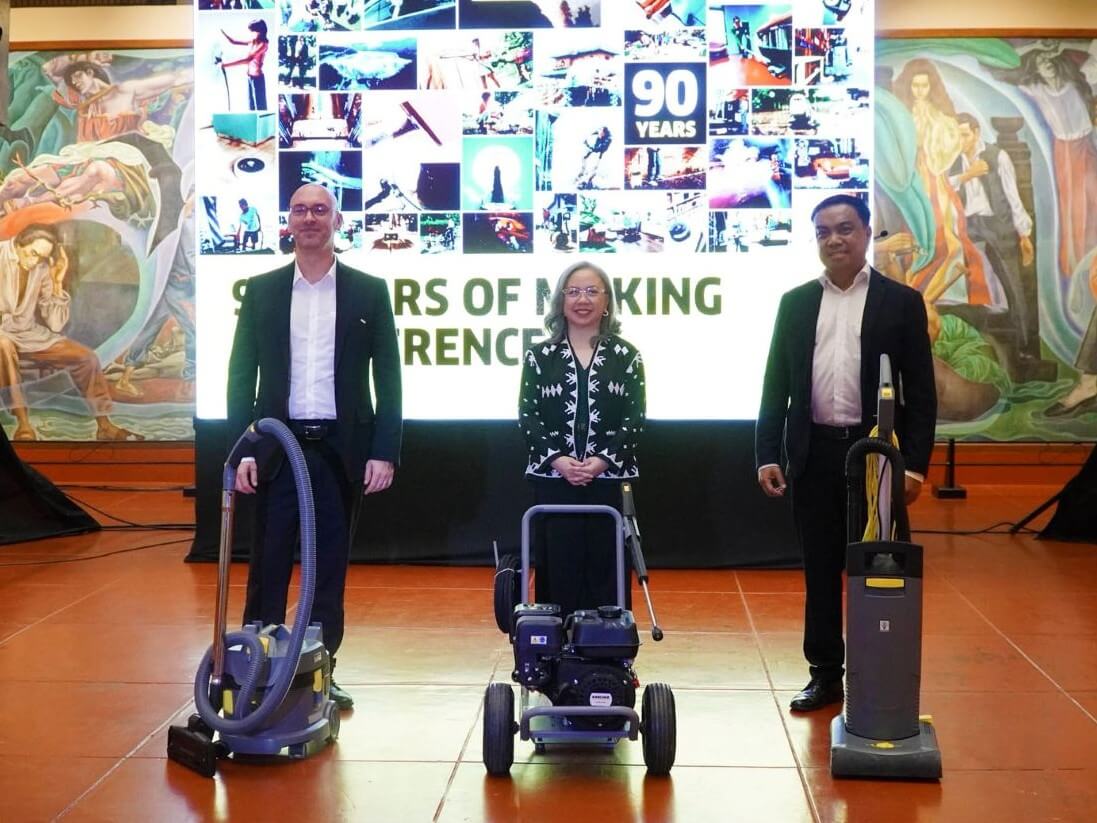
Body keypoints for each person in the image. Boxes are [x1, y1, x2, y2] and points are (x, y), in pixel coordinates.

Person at [755, 194, 936, 712]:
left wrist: (916, 467)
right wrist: (767, 452)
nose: (834, 239)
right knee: (819, 569)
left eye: (845, 229)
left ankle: (875, 668)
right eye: (823, 232)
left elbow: (920, 394)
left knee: (875, 567)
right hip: (813, 456)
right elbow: (775, 386)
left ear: (866, 233)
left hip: (876, 460)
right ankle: (825, 674)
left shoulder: (899, 302)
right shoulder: (795, 303)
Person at [227, 183, 402, 710]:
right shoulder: (260, 290)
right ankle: (255, 670)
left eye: (319, 210)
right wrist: (241, 451)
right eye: (300, 210)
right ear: (288, 221)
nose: (309, 218)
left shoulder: (369, 291)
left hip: (339, 452)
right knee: (268, 564)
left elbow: (388, 377)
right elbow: (241, 376)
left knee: (328, 569)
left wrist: (384, 449)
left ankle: (322, 674)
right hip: (276, 450)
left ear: (337, 220)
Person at [519, 261, 646, 618]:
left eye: (592, 291)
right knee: (559, 569)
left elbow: (635, 418)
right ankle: (556, 656)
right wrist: (559, 461)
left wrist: (602, 460)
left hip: (608, 482)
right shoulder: (539, 356)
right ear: (560, 300)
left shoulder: (628, 356)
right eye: (573, 291)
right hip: (554, 481)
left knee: (608, 570)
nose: (582, 299)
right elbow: (527, 416)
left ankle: (609, 656)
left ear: (607, 301)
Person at [0, 225, 144, 442]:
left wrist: (58, 283)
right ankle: (23, 424)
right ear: (18, 244)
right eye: (33, 254)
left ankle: (104, 425)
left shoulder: (41, 266)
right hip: (2, 336)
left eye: (42, 258)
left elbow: (55, 324)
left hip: (28, 334)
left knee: (86, 358)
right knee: (3, 344)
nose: (35, 261)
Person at [221, 20, 269, 110]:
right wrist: (223, 33)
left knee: (260, 107)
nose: (253, 34)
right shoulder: (253, 41)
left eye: (254, 31)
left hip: (257, 79)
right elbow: (234, 41)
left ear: (259, 31)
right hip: (250, 77)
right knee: (251, 106)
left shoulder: (263, 44)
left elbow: (248, 59)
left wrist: (225, 65)